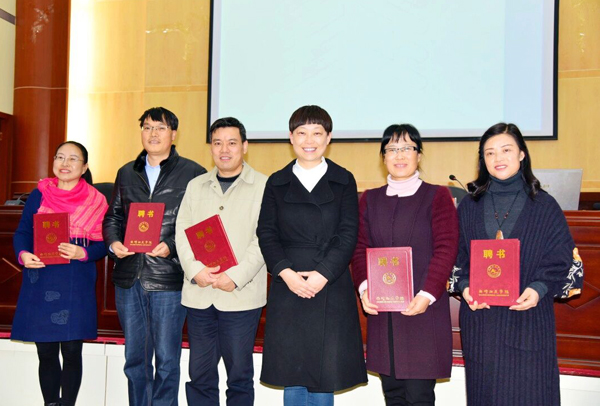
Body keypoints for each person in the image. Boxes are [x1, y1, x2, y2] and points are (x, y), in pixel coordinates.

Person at [448, 123, 584, 406]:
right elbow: (455, 256)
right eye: (489, 153)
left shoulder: (544, 205)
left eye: (506, 150)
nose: (498, 158)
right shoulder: (469, 206)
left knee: (531, 395)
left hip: (528, 318)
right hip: (482, 323)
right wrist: (466, 286)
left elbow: (562, 258)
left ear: (522, 154)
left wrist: (538, 288)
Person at [257, 105, 367, 405]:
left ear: (328, 138)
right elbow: (266, 233)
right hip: (288, 284)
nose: (309, 140)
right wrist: (286, 273)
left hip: (330, 283)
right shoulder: (276, 181)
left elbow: (348, 234)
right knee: (291, 371)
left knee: (324, 374)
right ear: (290, 137)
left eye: (317, 133)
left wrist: (322, 275)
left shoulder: (344, 179)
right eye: (302, 132)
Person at [102, 107, 206, 406]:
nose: (153, 134)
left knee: (166, 359)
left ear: (173, 134)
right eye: (147, 127)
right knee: (135, 358)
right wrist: (114, 242)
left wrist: (171, 245)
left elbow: (200, 225)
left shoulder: (193, 173)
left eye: (160, 128)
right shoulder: (126, 172)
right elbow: (113, 217)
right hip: (129, 276)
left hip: (168, 277)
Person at [350, 124, 459, 406]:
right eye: (392, 149)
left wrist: (427, 294)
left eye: (407, 148)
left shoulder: (437, 196)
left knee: (419, 396)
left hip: (423, 311)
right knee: (393, 394)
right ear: (383, 157)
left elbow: (446, 248)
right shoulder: (370, 199)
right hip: (384, 314)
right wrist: (365, 289)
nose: (399, 155)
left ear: (419, 155)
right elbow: (359, 247)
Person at [175, 117, 267, 406]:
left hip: (241, 296)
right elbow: (182, 232)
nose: (224, 149)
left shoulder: (264, 186)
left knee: (239, 377)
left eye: (232, 142)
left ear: (245, 146)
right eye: (217, 143)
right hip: (200, 294)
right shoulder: (195, 186)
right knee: (199, 375)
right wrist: (195, 270)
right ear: (211, 147)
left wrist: (236, 276)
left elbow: (265, 239)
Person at [12, 141, 108, 406]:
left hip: (75, 278)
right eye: (60, 157)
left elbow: (105, 244)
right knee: (45, 351)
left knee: (72, 350)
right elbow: (22, 232)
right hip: (40, 277)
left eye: (73, 159)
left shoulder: (96, 200)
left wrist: (83, 252)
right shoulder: (39, 194)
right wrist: (23, 254)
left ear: (84, 167)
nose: (65, 164)